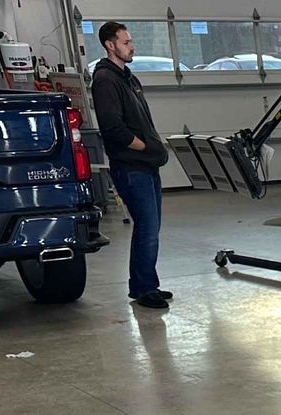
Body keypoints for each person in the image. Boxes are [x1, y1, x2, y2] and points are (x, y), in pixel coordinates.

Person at [90, 22, 173, 309]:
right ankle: (143, 289)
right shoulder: (105, 80)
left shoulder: (127, 78)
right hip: (130, 166)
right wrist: (146, 146)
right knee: (147, 227)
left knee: (153, 226)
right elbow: (114, 129)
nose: (131, 46)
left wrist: (153, 148)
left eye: (131, 41)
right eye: (126, 42)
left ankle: (146, 283)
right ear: (110, 45)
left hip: (147, 165)